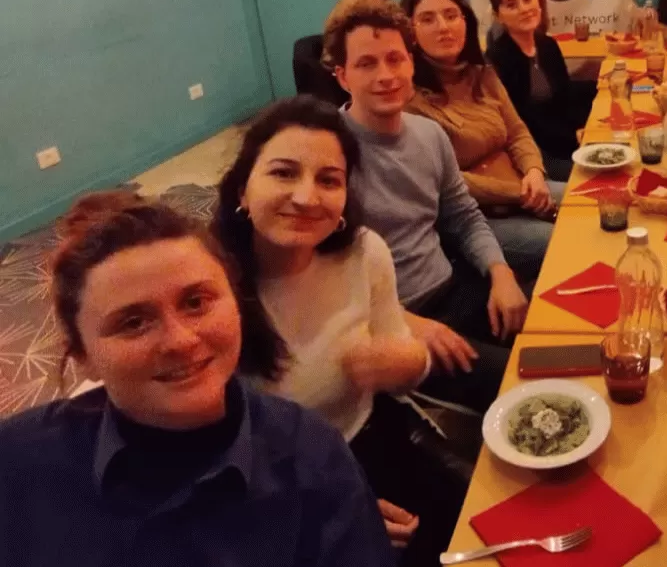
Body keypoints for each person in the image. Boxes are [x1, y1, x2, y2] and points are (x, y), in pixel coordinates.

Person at [0, 192, 394, 566]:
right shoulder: (19, 461)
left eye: (196, 302)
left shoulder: (312, 459)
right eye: (133, 323)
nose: (181, 341)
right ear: (83, 356)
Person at [211, 96, 467, 566]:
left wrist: (413, 360)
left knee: (475, 530)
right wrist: (330, 504)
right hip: (275, 487)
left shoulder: (363, 252)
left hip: (371, 440)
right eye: (284, 173)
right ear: (242, 191)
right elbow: (207, 460)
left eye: (328, 180)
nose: (307, 197)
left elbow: (404, 364)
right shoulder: (207, 288)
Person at [324, 0, 528, 415]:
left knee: (557, 343)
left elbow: (465, 215)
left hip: (453, 287)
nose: (386, 75)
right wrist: (408, 325)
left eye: (395, 59)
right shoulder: (327, 154)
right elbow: (321, 275)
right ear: (342, 76)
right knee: (523, 388)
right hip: (391, 322)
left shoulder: (429, 135)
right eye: (367, 64)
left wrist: (501, 274)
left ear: (411, 64)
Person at [399, 0, 562, 279]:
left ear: (465, 20)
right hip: (473, 217)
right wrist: (518, 193)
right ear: (409, 32)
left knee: (591, 203)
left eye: (451, 15)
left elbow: (517, 131)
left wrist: (535, 173)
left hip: (521, 185)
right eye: (427, 19)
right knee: (566, 242)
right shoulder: (408, 99)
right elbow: (446, 183)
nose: (443, 27)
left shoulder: (481, 72)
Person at [486, 0, 587, 182]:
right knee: (592, 178)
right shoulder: (497, 59)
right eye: (511, 5)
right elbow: (522, 124)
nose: (524, 9)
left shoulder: (547, 45)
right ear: (498, 16)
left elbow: (565, 97)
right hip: (536, 154)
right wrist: (573, 138)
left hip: (566, 140)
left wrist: (581, 129)